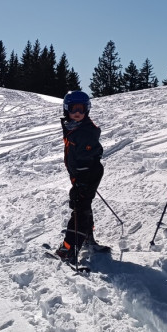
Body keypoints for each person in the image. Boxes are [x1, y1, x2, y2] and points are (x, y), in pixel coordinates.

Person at [56, 90, 104, 260]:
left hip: (87, 174)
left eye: (81, 109)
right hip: (80, 175)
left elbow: (88, 158)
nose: (77, 113)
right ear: (66, 110)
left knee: (79, 208)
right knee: (83, 205)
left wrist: (82, 184)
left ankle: (69, 248)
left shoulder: (85, 132)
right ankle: (87, 238)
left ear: (87, 110)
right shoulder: (72, 126)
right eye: (73, 109)